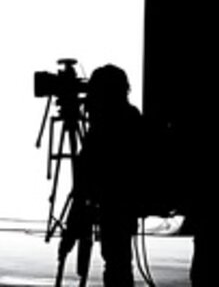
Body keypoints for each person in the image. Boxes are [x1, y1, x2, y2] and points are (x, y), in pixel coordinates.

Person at [61, 65, 147, 286]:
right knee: (119, 261)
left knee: (117, 262)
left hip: (115, 202)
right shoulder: (132, 116)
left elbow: (85, 176)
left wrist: (72, 229)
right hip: (124, 203)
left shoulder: (107, 124)